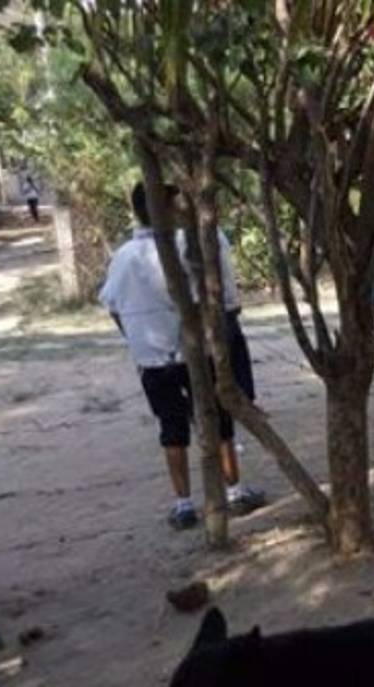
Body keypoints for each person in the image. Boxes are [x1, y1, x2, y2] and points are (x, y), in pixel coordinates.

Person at [99, 182, 266, 530]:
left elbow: (112, 305)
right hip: (197, 352)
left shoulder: (124, 257)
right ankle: (233, 491)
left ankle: (184, 503)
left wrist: (136, 339)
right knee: (218, 423)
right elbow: (225, 300)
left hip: (153, 360)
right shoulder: (194, 243)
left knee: (171, 428)